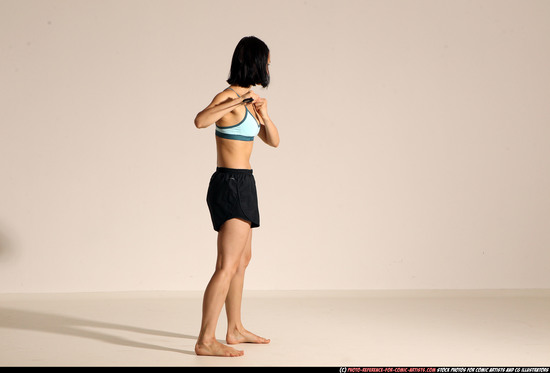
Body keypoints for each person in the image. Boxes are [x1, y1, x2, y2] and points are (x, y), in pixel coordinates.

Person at [193, 36, 280, 357]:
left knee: (243, 261)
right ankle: (205, 339)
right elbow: (201, 120)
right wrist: (233, 103)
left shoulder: (250, 100)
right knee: (226, 265)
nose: (269, 68)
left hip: (245, 182)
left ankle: (234, 329)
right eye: (267, 62)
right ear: (255, 62)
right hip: (229, 182)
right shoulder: (227, 96)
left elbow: (274, 141)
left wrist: (264, 114)